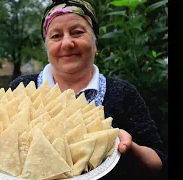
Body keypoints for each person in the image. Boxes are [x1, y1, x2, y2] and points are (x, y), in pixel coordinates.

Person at [9, 0, 168, 179]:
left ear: (96, 43)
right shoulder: (22, 89)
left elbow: (159, 161)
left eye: (77, 32)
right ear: (46, 46)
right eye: (56, 36)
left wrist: (130, 147)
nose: (67, 43)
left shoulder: (123, 94)